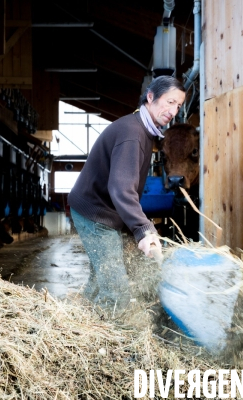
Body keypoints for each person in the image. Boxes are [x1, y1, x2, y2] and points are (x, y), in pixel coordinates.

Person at [68, 75, 186, 311]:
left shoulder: (142, 130)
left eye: (179, 106)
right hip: (95, 214)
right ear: (151, 97)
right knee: (117, 290)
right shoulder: (132, 134)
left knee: (103, 276)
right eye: (170, 102)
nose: (173, 111)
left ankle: (79, 320)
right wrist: (143, 229)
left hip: (102, 211)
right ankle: (102, 340)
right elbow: (121, 188)